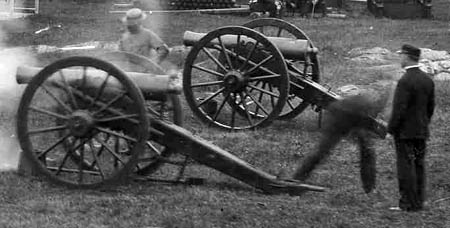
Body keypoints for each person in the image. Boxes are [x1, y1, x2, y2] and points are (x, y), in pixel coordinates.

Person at [387, 44, 435, 212]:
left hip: (405, 133)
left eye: (401, 55)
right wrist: (423, 124)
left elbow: (399, 109)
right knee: (419, 166)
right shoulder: (427, 80)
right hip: (421, 130)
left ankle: (407, 204)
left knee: (406, 167)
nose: (400, 58)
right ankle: (418, 202)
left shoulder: (405, 81)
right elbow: (430, 107)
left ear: (407, 57)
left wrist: (390, 129)